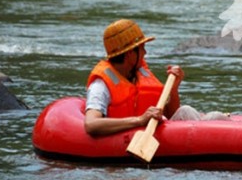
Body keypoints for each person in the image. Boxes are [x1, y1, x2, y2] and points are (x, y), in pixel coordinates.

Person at [85, 19, 229, 136]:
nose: (145, 52)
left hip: (155, 131)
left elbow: (170, 113)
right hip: (127, 138)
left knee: (191, 112)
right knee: (190, 113)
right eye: (141, 48)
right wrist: (139, 120)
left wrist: (173, 89)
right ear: (129, 54)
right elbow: (91, 125)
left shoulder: (139, 74)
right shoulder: (100, 86)